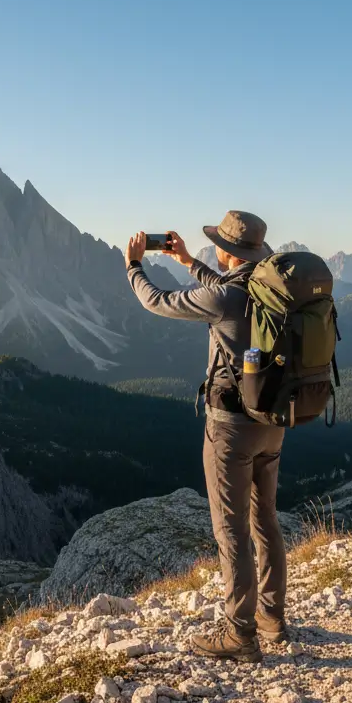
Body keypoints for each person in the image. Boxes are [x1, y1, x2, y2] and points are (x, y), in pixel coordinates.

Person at [123, 211, 287, 663]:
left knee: (230, 530)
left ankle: (239, 633)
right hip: (273, 422)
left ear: (228, 251)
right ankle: (273, 620)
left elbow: (158, 301)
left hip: (230, 429)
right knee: (265, 520)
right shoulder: (268, 288)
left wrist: (134, 267)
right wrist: (189, 261)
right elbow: (227, 290)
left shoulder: (224, 298)